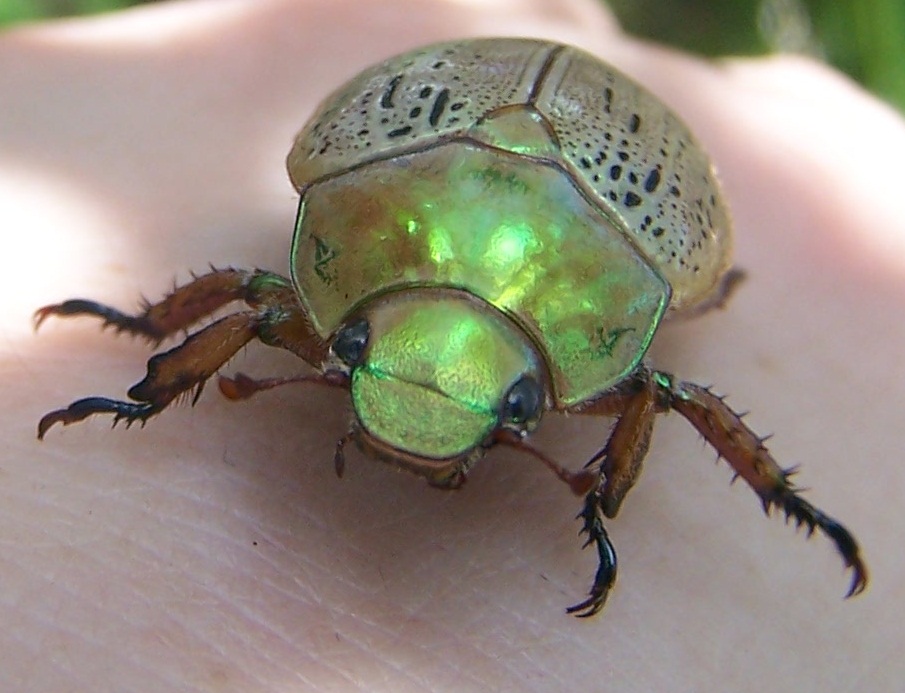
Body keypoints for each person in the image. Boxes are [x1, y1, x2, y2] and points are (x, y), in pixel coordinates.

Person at [2, 0, 902, 689]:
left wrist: (607, 498)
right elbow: (242, 303)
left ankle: (697, 505)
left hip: (601, 152)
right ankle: (144, 376)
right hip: (444, 118)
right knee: (254, 301)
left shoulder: (627, 301)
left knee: (662, 388)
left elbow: (669, 393)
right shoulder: (325, 256)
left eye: (515, 407)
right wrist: (147, 361)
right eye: (348, 342)